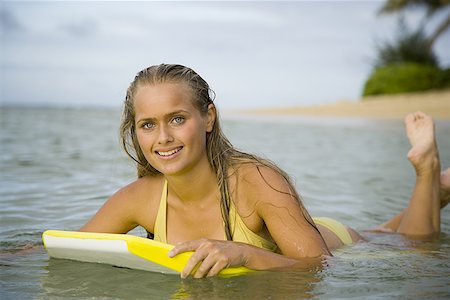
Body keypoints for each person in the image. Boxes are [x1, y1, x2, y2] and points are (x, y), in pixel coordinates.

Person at [81, 64, 449, 278]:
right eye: (147, 125)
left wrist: (244, 254)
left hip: (330, 241)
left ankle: (427, 170)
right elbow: (69, 245)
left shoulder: (255, 181)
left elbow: (319, 270)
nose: (163, 138)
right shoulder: (139, 198)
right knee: (383, 230)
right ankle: (439, 192)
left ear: (208, 117)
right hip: (296, 228)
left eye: (177, 119)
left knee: (413, 243)